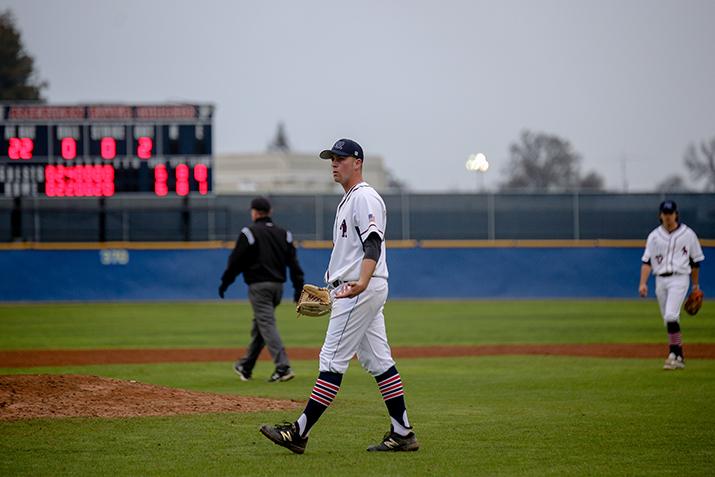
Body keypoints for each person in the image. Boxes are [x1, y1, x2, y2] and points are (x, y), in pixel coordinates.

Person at [259, 138, 419, 454]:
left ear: (357, 162)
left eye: (340, 158)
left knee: (331, 360)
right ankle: (403, 432)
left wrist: (359, 282)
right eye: (331, 158)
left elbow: (373, 242)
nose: (334, 163)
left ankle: (299, 433)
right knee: (378, 361)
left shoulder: (364, 198)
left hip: (358, 287)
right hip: (356, 286)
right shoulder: (348, 200)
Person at [219, 196, 305, 382]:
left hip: (259, 287)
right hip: (278, 288)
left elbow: (235, 262)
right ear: (270, 212)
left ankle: (283, 367)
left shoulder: (249, 233)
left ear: (255, 212)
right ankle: (246, 366)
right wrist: (298, 290)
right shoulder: (284, 234)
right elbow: (294, 266)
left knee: (266, 324)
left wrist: (225, 282)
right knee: (261, 326)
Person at [639, 200, 705, 370]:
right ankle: (678, 355)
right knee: (667, 320)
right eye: (665, 213)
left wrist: (695, 286)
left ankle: (675, 355)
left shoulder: (688, 234)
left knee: (670, 316)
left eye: (671, 213)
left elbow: (695, 261)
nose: (668, 216)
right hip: (660, 279)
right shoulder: (654, 236)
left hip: (680, 277)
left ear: (676, 214)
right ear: (660, 215)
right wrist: (643, 283)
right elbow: (646, 262)